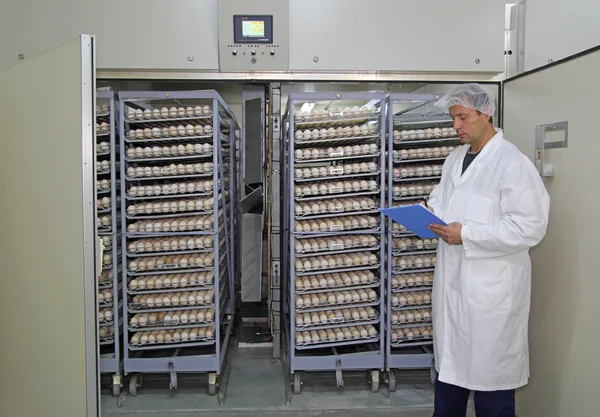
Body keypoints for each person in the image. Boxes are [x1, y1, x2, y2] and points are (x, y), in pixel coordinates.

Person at [425, 83, 550, 417]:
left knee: (492, 397)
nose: (457, 126)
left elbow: (529, 227)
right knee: (448, 387)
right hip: (454, 293)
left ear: (486, 113)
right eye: (454, 119)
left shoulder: (512, 164)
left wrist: (468, 235)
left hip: (490, 300)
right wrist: (428, 215)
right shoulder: (454, 160)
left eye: (463, 118)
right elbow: (441, 200)